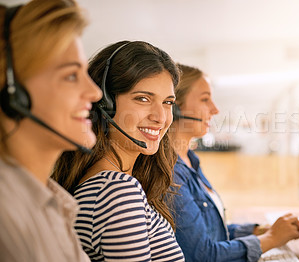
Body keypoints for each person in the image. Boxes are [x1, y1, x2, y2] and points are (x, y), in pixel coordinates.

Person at [52, 40, 185, 261]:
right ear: (105, 104)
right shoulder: (117, 190)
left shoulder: (111, 184)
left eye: (167, 103)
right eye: (143, 99)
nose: (160, 117)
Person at [0, 1, 102, 261]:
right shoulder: (8, 214)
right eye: (71, 76)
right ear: (13, 94)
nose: (95, 92)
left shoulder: (52, 202)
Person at [169, 64, 299, 262]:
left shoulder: (191, 161)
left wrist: (257, 230)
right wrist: (272, 238)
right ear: (175, 108)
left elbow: (210, 231)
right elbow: (202, 255)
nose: (215, 109)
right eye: (205, 99)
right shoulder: (171, 174)